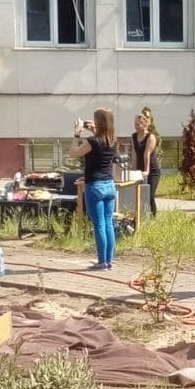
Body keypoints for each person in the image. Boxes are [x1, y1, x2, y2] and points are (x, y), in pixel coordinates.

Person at [69, 107, 117, 270]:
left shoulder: (92, 142)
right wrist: (92, 129)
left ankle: (101, 262)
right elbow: (101, 159)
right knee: (109, 223)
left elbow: (73, 153)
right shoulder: (112, 139)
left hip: (95, 187)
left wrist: (77, 133)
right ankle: (109, 260)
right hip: (109, 185)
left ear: (99, 123)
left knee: (99, 225)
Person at [132, 107, 161, 218]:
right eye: (135, 124)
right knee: (139, 194)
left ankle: (153, 216)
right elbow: (134, 154)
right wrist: (133, 171)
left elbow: (146, 154)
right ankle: (141, 216)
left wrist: (147, 171)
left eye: (139, 124)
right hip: (139, 169)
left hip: (152, 170)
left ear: (145, 124)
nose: (136, 126)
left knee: (149, 195)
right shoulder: (134, 136)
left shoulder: (151, 137)